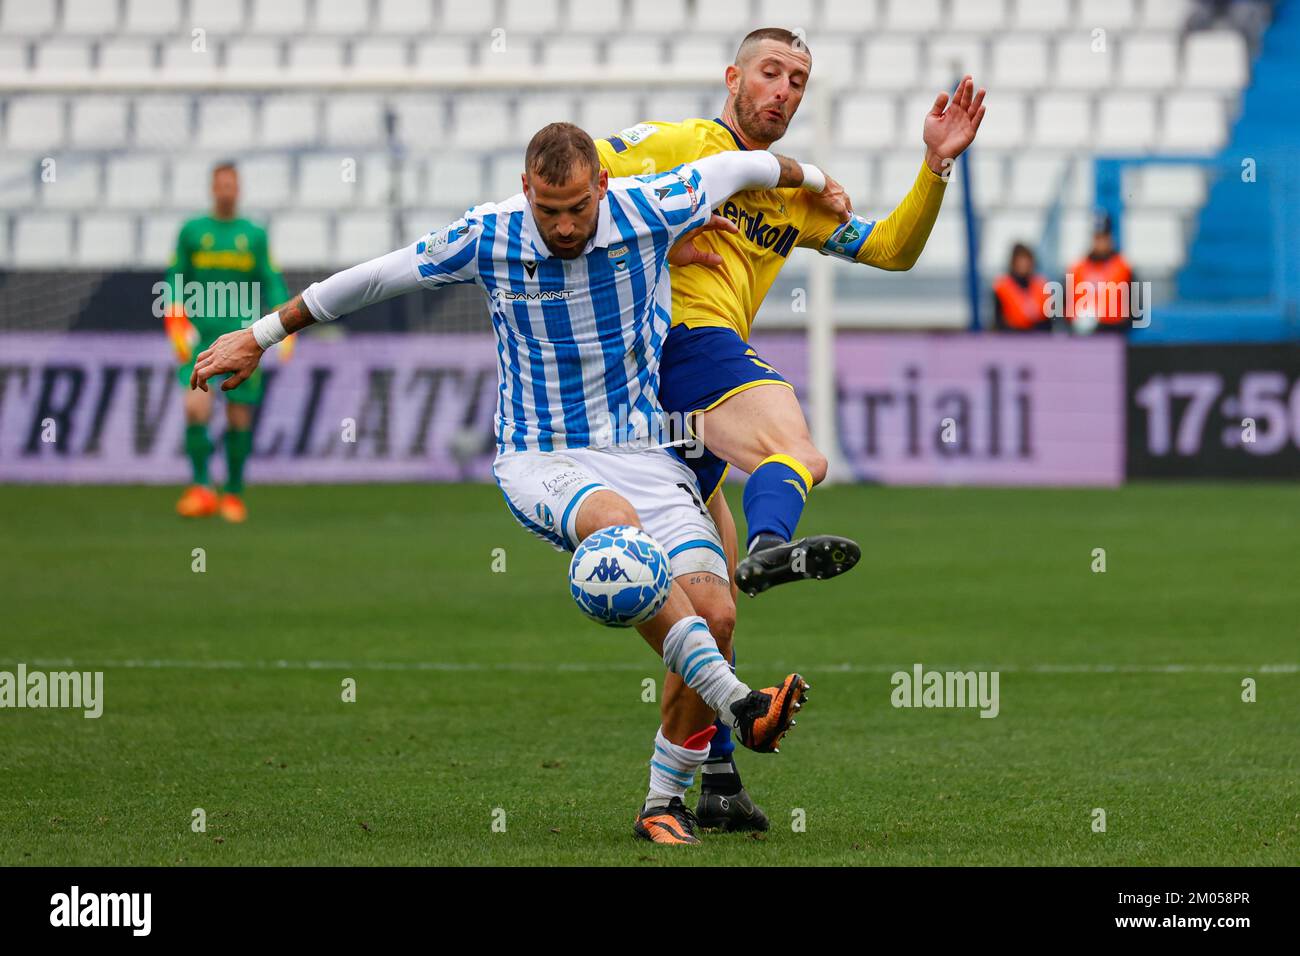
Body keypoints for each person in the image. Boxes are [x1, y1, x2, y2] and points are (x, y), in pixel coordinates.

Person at [189, 123, 831, 846]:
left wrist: (812, 179)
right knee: (617, 534)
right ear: (526, 189)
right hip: (541, 456)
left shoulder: (655, 204)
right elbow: (375, 277)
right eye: (548, 209)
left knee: (716, 614)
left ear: (604, 189)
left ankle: (664, 802)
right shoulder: (488, 234)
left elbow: (748, 166)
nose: (563, 225)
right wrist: (262, 334)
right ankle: (740, 703)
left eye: (578, 208)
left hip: (643, 448)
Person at [595, 28, 986, 831]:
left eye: (799, 80)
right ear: (733, 77)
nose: (785, 89)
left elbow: (890, 250)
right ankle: (776, 544)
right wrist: (660, 226)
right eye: (770, 72)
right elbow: (575, 173)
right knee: (796, 452)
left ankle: (717, 785)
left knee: (713, 617)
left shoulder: (790, 196)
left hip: (670, 394)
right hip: (679, 346)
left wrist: (935, 166)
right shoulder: (681, 145)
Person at [163, 161, 290, 523]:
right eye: (220, 185)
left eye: (231, 185)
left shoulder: (253, 235)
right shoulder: (192, 232)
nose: (226, 191)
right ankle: (202, 488)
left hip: (243, 339)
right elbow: (175, 278)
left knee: (238, 415)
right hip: (201, 338)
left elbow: (272, 279)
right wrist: (174, 319)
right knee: (194, 407)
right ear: (212, 189)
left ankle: (233, 494)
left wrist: (284, 322)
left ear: (239, 189)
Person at [1067, 211, 1135, 335]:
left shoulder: (1123, 268)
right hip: (1082, 338)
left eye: (1104, 237)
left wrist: (1110, 326)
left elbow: (1135, 310)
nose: (1101, 243)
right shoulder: (1077, 269)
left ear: (1110, 238)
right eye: (1097, 238)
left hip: (1114, 336)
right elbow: (1065, 307)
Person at [992, 243, 1051, 332]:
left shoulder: (1042, 285)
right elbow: (998, 321)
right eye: (1020, 260)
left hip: (1038, 336)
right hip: (1012, 336)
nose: (1023, 265)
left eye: (1026, 260)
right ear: (1013, 262)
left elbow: (1048, 321)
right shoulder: (1002, 286)